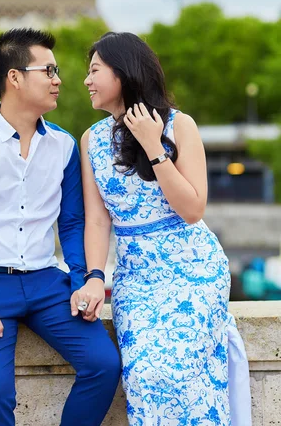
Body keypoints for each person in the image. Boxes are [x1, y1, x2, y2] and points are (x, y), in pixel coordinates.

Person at [0, 28, 121, 426]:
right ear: (14, 77)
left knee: (105, 365)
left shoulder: (65, 147)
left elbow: (71, 224)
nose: (59, 80)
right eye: (48, 70)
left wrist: (84, 279)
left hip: (46, 284)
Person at [76, 31, 251, 426]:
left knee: (184, 377)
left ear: (123, 72)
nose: (86, 80)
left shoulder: (179, 125)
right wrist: (94, 276)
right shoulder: (91, 140)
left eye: (94, 70)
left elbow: (192, 209)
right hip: (136, 280)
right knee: (143, 376)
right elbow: (98, 220)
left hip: (193, 271)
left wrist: (153, 146)